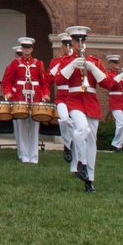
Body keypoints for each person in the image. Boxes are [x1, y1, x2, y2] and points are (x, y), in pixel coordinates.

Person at [60, 27, 105, 192]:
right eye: (77, 41)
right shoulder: (66, 61)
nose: (80, 44)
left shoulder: (95, 61)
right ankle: (81, 163)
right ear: (72, 42)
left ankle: (89, 179)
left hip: (91, 102)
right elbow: (58, 80)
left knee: (92, 142)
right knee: (82, 129)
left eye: (83, 40)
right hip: (75, 101)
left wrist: (93, 68)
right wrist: (72, 65)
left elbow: (107, 84)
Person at [2, 38, 48, 165]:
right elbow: (7, 81)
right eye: (24, 47)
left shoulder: (38, 64)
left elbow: (44, 82)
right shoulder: (15, 64)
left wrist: (45, 94)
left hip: (35, 98)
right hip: (20, 98)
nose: (27, 50)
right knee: (22, 127)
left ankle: (34, 156)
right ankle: (24, 154)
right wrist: (8, 92)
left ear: (32, 49)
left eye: (29, 47)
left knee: (34, 127)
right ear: (21, 49)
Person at [49, 34, 75, 162]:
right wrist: (58, 66)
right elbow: (49, 79)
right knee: (64, 119)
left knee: (75, 123)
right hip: (62, 96)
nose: (68, 48)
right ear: (62, 46)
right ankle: (68, 145)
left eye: (70, 45)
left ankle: (73, 144)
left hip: (74, 95)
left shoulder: (76, 60)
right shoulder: (56, 62)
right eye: (66, 45)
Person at [100, 53, 123, 151]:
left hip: (121, 101)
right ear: (110, 64)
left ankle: (119, 145)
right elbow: (111, 84)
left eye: (117, 63)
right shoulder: (110, 75)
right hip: (115, 101)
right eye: (115, 63)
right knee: (121, 123)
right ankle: (116, 143)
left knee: (122, 124)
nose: (117, 65)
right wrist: (121, 75)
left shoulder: (118, 75)